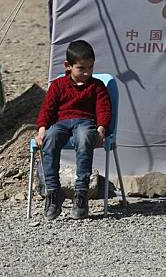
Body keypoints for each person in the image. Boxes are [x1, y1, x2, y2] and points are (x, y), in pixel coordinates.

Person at [35, 40, 112, 220]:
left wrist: (101, 129)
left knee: (85, 137)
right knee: (50, 138)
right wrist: (41, 129)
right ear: (68, 66)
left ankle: (81, 192)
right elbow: (47, 110)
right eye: (81, 68)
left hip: (85, 122)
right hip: (61, 123)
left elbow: (104, 110)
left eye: (90, 67)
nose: (87, 72)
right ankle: (53, 192)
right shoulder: (58, 85)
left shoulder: (97, 86)